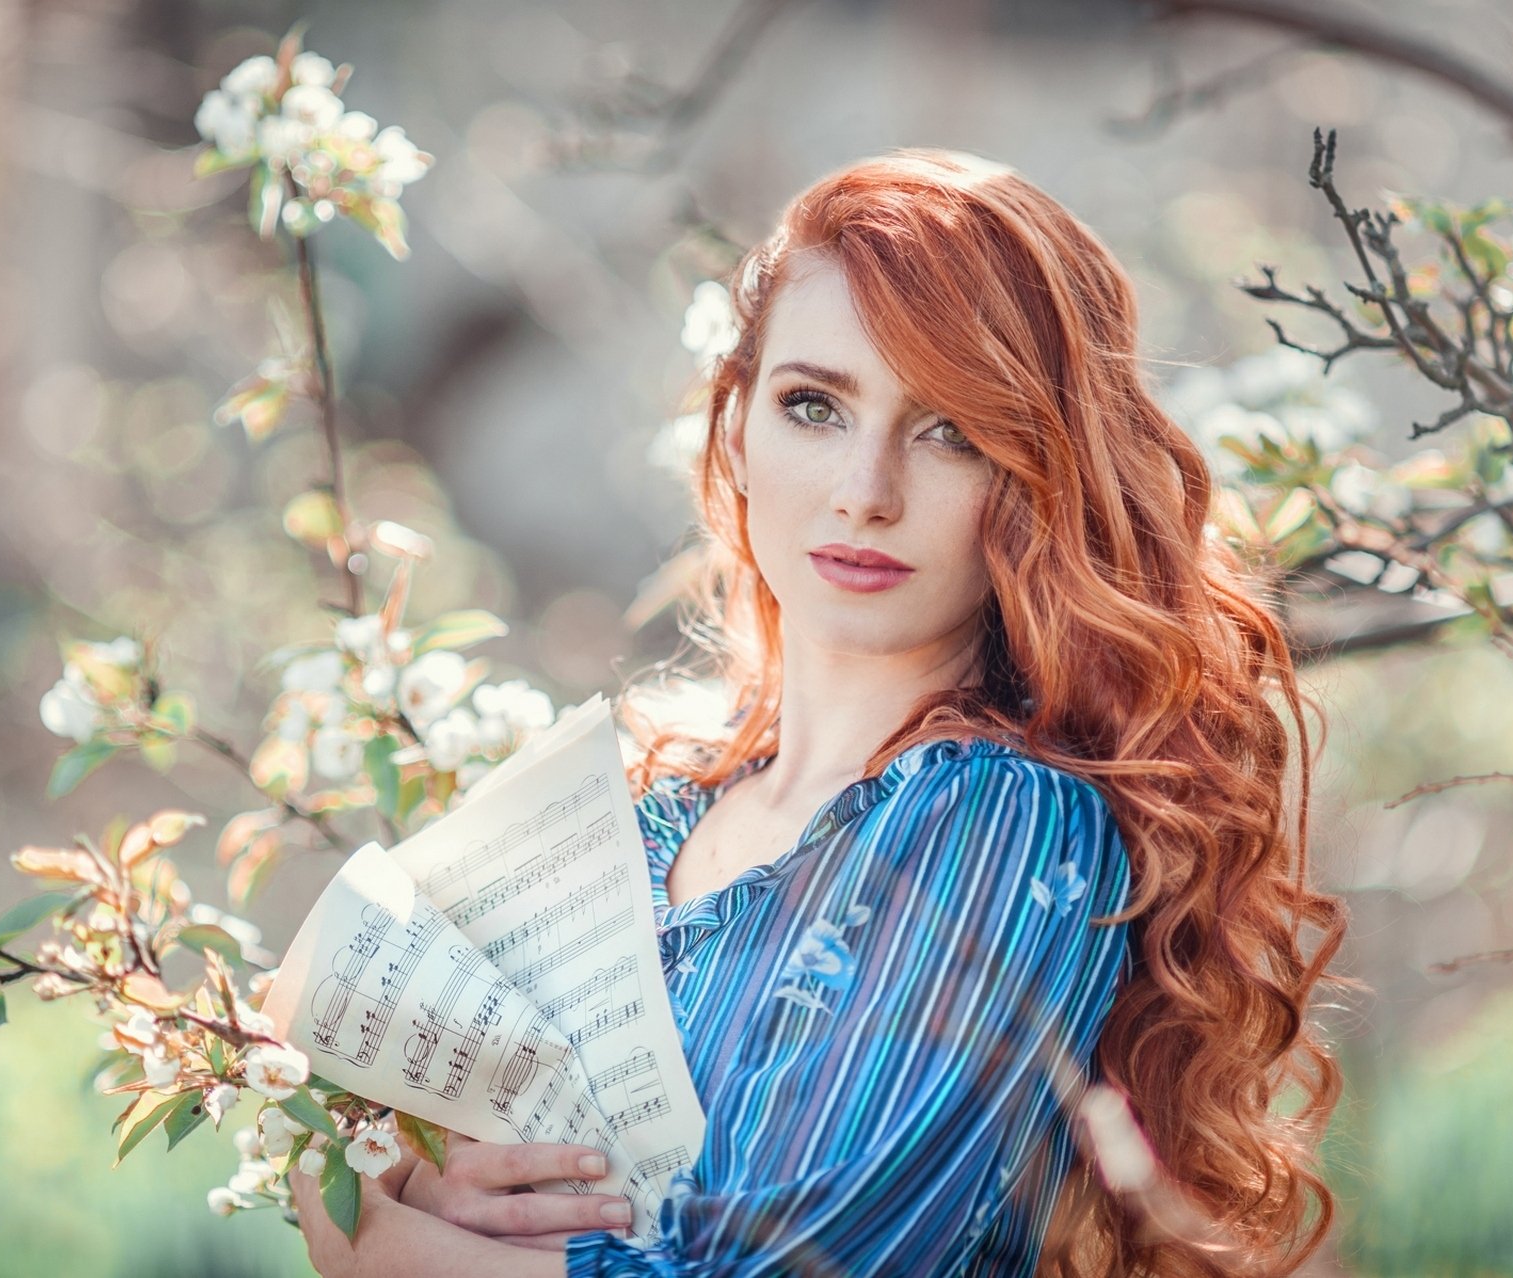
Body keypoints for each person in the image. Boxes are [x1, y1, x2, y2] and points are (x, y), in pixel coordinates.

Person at [291, 147, 1348, 1277]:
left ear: (1038, 480)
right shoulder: (646, 810)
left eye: (951, 431)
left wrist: (382, 1249)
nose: (865, 490)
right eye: (814, 406)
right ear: (736, 429)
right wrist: (389, 1165)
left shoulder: (995, 823)